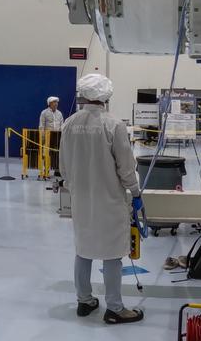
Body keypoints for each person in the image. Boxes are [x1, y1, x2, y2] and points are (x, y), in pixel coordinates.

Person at [59, 72, 146, 325]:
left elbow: (63, 168)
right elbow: (126, 168)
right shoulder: (113, 125)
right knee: (112, 255)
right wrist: (136, 193)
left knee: (83, 251)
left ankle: (84, 301)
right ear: (106, 96)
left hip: (81, 200)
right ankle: (115, 309)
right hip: (109, 200)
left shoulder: (69, 124)